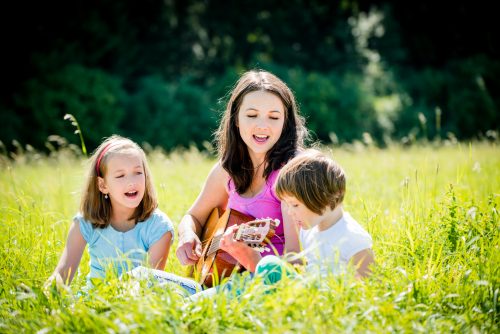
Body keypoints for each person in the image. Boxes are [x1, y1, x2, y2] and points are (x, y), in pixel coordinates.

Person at [176, 69, 309, 276]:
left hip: (269, 283)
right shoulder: (226, 170)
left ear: (285, 123)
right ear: (236, 119)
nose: (262, 125)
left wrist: (253, 261)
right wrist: (187, 235)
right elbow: (193, 216)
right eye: (252, 115)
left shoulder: (291, 174)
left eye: (274, 117)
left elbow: (296, 262)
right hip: (227, 278)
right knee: (145, 281)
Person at [46, 135, 174, 288]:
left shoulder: (158, 227)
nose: (132, 182)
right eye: (120, 175)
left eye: (138, 172)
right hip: (91, 302)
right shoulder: (85, 223)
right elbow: (62, 274)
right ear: (102, 185)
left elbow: (150, 285)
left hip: (135, 305)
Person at [255, 149, 374, 285]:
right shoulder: (308, 231)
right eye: (287, 204)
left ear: (323, 197)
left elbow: (368, 287)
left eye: (294, 205)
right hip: (309, 295)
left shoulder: (353, 238)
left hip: (331, 301)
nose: (289, 212)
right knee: (268, 265)